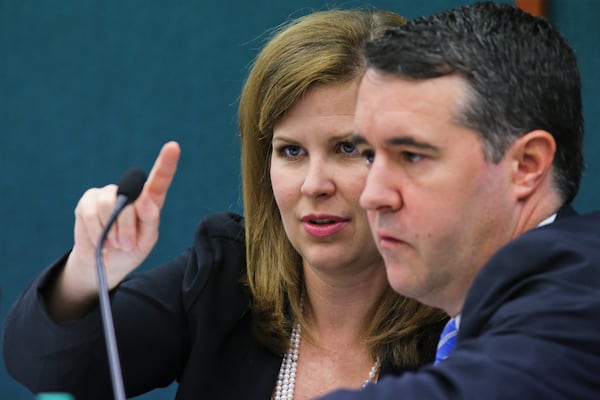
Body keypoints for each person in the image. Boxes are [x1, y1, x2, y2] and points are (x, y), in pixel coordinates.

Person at [2, 9, 447, 400]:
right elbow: (50, 369)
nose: (314, 185)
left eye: (349, 149)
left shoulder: (465, 320)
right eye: (291, 151)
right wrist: (87, 269)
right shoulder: (226, 273)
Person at [318, 2, 600, 400]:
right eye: (368, 154)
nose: (372, 195)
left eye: (411, 156)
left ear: (526, 165)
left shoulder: (584, 296)